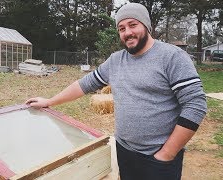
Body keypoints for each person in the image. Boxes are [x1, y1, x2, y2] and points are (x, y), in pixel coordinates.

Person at [26, 3, 207, 180]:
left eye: (133, 25)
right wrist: (50, 101)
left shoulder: (172, 57)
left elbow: (195, 105)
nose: (127, 32)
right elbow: (84, 84)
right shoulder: (116, 61)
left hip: (158, 157)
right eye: (121, 28)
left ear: (147, 26)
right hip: (124, 150)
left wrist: (167, 153)